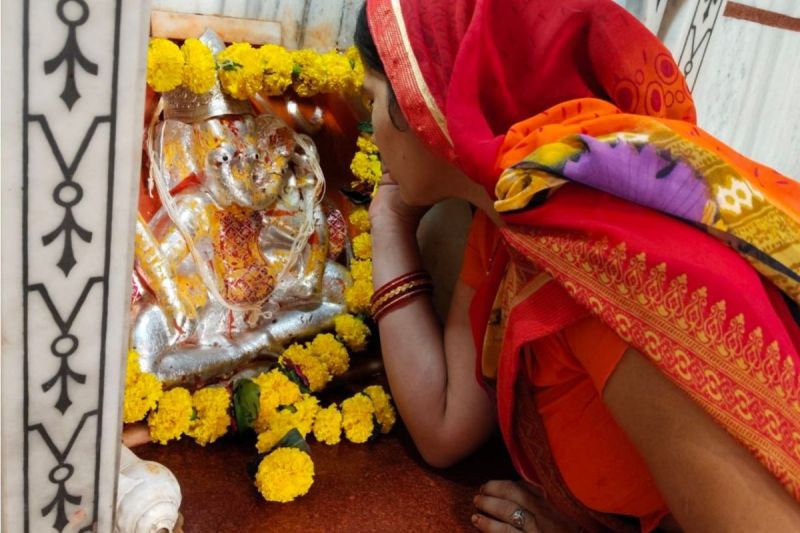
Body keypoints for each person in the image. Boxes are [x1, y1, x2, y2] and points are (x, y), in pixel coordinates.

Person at [353, 0, 800, 531]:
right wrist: (388, 221)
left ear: (421, 101)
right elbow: (445, 427)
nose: (371, 130)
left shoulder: (608, 270)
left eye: (373, 99)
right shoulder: (511, 218)